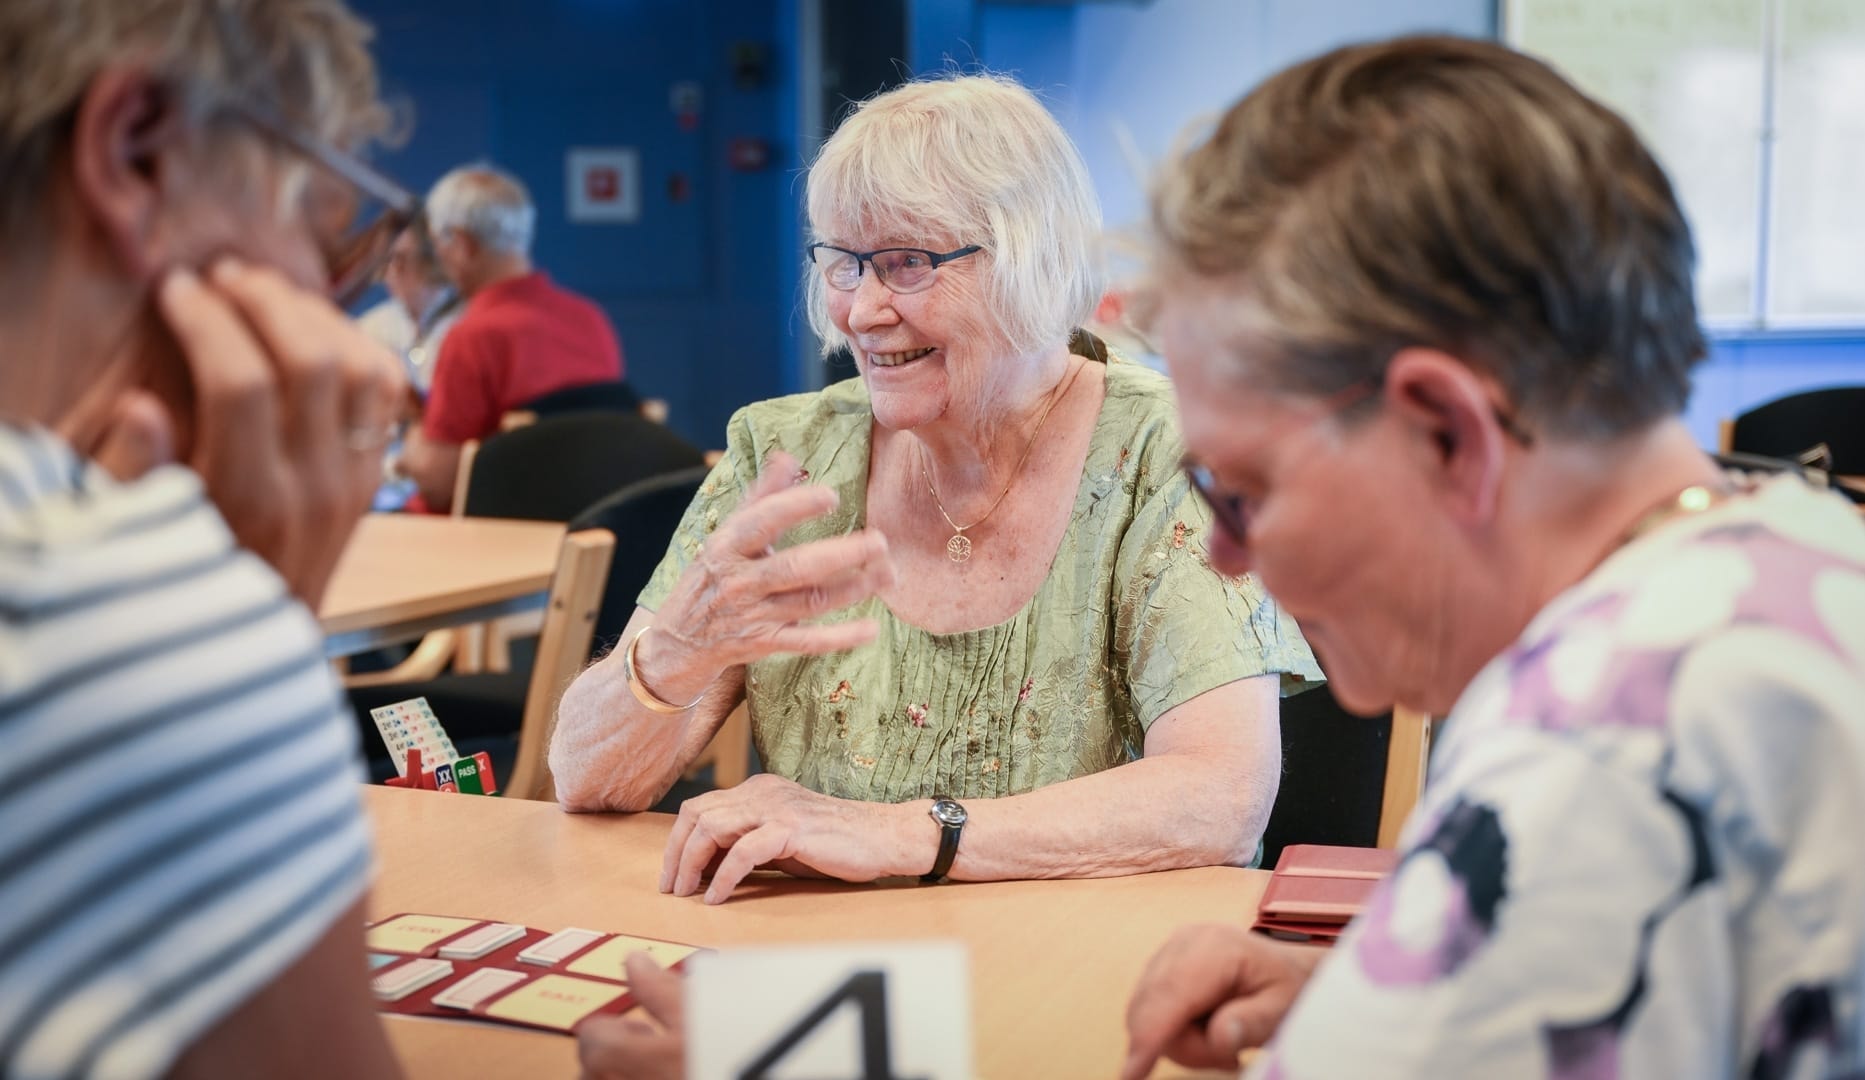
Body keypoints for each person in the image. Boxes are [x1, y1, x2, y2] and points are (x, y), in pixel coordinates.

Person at [1120, 35, 1865, 1079]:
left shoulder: (1593, 748)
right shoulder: (1804, 546)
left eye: (1239, 492)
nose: (1226, 557)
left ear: (1447, 433)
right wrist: (1403, 991)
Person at [550, 73, 1321, 910]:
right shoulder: (786, 453)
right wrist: (676, 649)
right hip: (823, 960)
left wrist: (901, 834)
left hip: (1091, 966)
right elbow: (586, 782)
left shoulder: (1166, 453)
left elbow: (1219, 800)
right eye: (844, 262)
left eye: (908, 264)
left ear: (1034, 258)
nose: (861, 311)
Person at [0, 0, 409, 1076]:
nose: (321, 291)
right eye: (314, 218)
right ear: (137, 152)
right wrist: (238, 627)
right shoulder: (106, 609)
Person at [396, 164, 624, 511]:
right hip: (585, 526)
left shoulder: (473, 338)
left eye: (438, 241)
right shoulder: (591, 319)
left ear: (459, 245)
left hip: (482, 541)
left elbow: (439, 483)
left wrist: (413, 438)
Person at [355, 214, 461, 393]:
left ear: (433, 261)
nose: (391, 271)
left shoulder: (465, 323)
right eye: (386, 260)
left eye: (401, 259)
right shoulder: (372, 326)